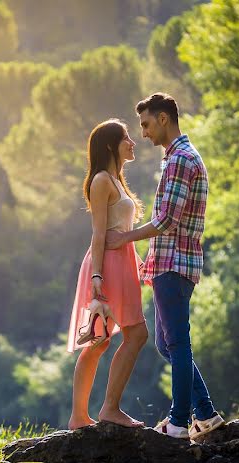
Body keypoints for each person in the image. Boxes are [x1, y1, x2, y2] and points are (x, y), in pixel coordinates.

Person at [108, 93, 224, 440]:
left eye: (145, 124)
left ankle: (177, 422)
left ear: (163, 119)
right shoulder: (177, 157)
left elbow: (167, 220)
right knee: (166, 343)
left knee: (177, 343)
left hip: (174, 265)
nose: (142, 133)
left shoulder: (180, 160)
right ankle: (205, 415)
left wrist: (124, 239)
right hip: (171, 264)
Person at [66, 119, 149, 430]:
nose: (132, 141)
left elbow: (120, 231)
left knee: (106, 340)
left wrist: (140, 265)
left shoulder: (115, 180)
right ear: (111, 145)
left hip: (122, 263)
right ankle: (97, 412)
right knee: (112, 338)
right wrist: (96, 277)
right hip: (107, 265)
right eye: (126, 137)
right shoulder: (101, 180)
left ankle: (93, 413)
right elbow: (99, 234)